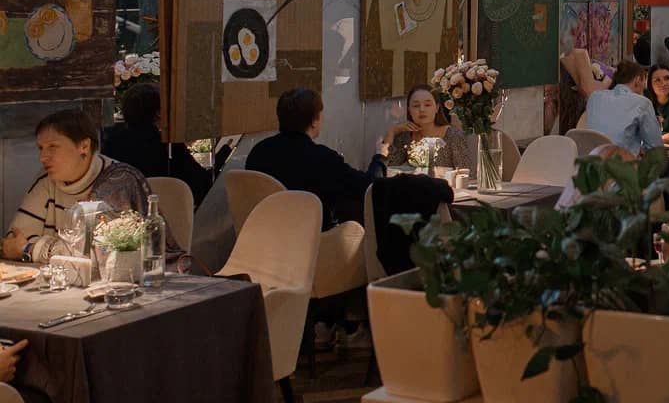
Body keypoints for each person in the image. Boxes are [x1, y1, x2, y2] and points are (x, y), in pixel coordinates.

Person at [3, 110, 151, 262]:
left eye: (52, 146)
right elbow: (12, 242)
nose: (42, 157)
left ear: (84, 146)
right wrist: (55, 249)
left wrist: (30, 249)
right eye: (41, 148)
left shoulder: (119, 180)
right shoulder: (47, 179)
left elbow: (99, 256)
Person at [245, 88, 387, 229]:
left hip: (261, 236)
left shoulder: (258, 152)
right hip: (312, 239)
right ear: (314, 121)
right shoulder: (323, 159)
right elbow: (369, 188)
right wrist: (380, 156)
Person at [102, 82, 220, 206]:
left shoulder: (111, 141)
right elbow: (201, 187)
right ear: (159, 113)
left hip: (121, 210)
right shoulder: (167, 145)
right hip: (163, 211)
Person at [382, 84, 474, 171]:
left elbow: (467, 173)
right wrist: (392, 131)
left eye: (427, 105)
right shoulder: (406, 136)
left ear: (437, 108)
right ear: (409, 110)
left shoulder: (453, 136)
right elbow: (386, 167)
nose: (422, 109)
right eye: (416, 106)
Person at [584, 61, 665, 155]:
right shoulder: (643, 103)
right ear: (638, 80)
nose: (644, 88)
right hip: (619, 161)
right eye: (644, 83)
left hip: (588, 160)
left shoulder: (594, 96)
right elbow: (656, 148)